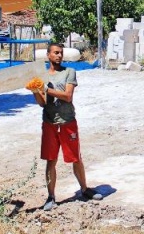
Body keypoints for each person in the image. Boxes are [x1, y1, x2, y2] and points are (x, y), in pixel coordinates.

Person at [29, 43, 102, 211]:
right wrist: (35, 91)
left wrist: (45, 89)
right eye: (55, 53)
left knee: (75, 158)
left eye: (61, 53)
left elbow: (68, 96)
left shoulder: (69, 72)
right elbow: (42, 103)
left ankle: (84, 189)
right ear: (48, 55)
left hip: (68, 121)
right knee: (50, 160)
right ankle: (51, 197)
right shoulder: (42, 76)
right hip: (49, 123)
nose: (59, 56)